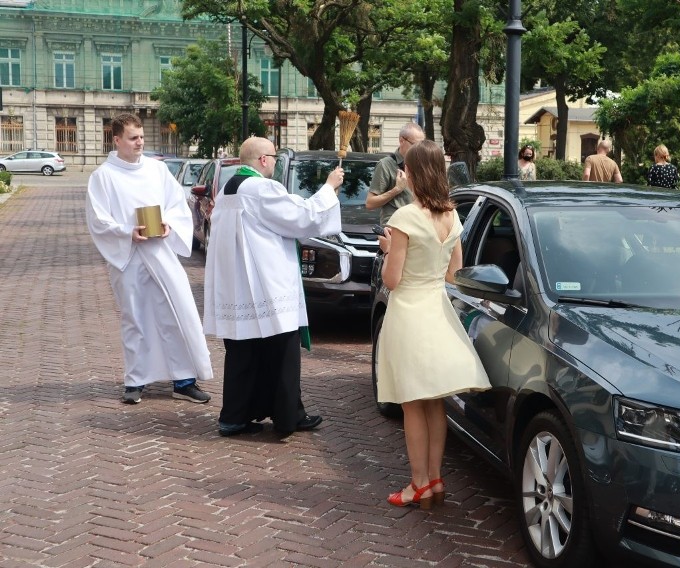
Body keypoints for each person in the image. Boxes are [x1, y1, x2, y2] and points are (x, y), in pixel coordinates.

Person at [203, 136, 344, 439]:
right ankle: (287, 416)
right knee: (282, 350)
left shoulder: (228, 189)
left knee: (243, 352)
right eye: (275, 157)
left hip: (238, 287)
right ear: (264, 159)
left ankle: (234, 418)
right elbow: (302, 217)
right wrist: (329, 187)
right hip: (268, 287)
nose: (277, 163)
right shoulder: (261, 189)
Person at [376, 139, 490, 509]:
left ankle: (418, 483)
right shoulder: (453, 215)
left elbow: (392, 280)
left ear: (412, 173)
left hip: (409, 312)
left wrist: (387, 250)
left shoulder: (405, 217)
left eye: (405, 169)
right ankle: (436, 479)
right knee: (435, 403)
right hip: (438, 312)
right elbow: (455, 275)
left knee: (412, 403)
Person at [86, 113, 213, 405]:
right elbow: (98, 220)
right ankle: (136, 380)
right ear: (117, 140)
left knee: (176, 313)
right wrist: (126, 232)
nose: (139, 142)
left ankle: (184, 380)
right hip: (128, 258)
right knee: (135, 318)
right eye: (133, 138)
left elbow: (176, 203)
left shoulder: (157, 171)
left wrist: (168, 223)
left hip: (160, 252)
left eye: (141, 136)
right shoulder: (103, 177)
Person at [365, 122, 426, 224]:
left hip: (417, 227)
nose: (419, 149)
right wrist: (396, 190)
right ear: (401, 140)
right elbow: (370, 203)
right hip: (394, 230)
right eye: (415, 145)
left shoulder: (423, 165)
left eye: (421, 145)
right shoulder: (386, 165)